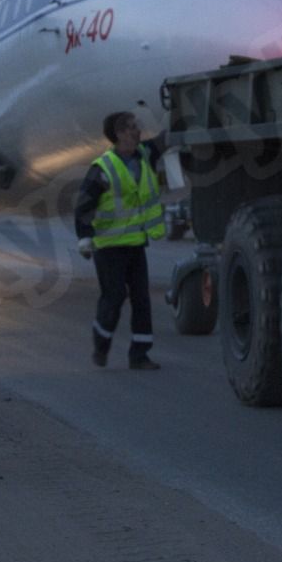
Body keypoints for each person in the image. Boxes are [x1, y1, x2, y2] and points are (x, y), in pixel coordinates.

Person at [73, 110, 166, 370]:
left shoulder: (145, 154)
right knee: (113, 298)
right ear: (121, 133)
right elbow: (83, 206)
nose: (139, 131)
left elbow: (165, 139)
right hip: (109, 247)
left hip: (136, 244)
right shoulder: (102, 169)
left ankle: (139, 355)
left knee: (141, 299)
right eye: (133, 127)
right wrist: (84, 238)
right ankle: (101, 344)